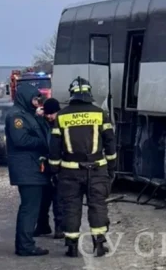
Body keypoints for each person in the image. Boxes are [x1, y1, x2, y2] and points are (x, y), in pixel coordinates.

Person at [48, 77, 117, 258]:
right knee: (98, 205)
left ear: (72, 94)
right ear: (89, 92)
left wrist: (54, 170)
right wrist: (112, 167)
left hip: (69, 170)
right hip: (97, 169)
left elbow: (54, 148)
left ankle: (72, 246)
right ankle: (99, 243)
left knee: (71, 207)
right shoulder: (100, 114)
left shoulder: (62, 116)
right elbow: (110, 142)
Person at [5, 83, 51, 256]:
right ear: (25, 97)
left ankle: (25, 243)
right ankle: (25, 245)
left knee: (32, 207)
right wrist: (44, 142)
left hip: (32, 167)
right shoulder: (16, 116)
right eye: (34, 99)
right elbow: (21, 140)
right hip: (27, 168)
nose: (36, 102)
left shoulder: (28, 114)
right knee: (29, 208)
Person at [36, 98, 64, 239]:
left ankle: (60, 228)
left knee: (59, 199)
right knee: (43, 198)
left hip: (60, 165)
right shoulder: (44, 122)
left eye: (51, 114)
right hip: (46, 163)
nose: (49, 116)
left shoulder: (63, 123)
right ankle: (43, 226)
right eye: (47, 114)